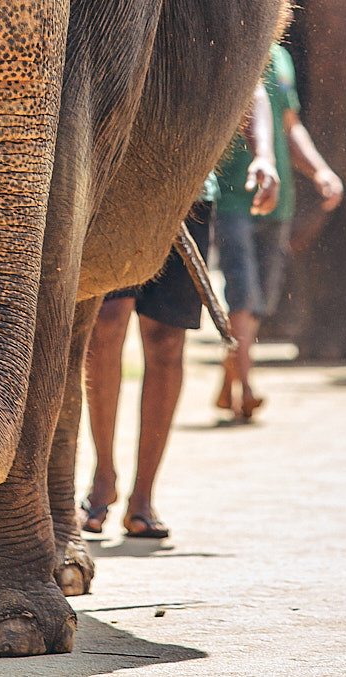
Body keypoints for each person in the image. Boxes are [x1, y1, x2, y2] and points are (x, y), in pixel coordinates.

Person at [211, 45, 343, 422]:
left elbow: (290, 126)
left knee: (261, 300)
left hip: (277, 202)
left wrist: (319, 171)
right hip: (231, 197)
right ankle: (247, 387)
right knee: (243, 291)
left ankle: (230, 370)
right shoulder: (228, 45)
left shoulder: (282, 58)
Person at [81, 206, 207, 540]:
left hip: (188, 193)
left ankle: (143, 497)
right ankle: (103, 476)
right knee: (105, 320)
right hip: (117, 186)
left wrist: (264, 156)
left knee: (166, 339)